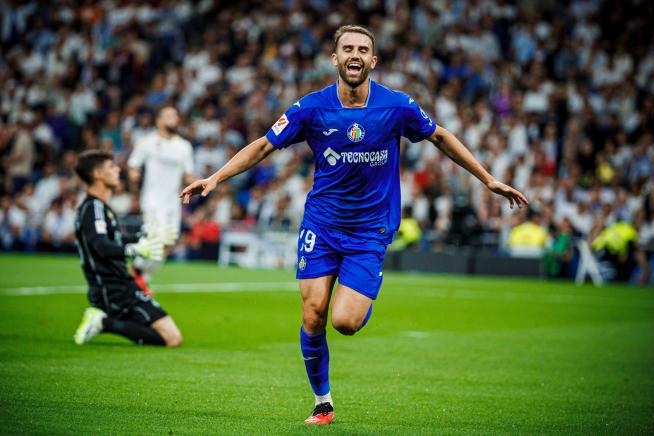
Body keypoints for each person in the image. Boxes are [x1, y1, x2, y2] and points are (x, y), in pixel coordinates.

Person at [180, 25, 528, 424]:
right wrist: (215, 179)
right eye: (348, 48)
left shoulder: (396, 106)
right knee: (313, 313)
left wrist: (487, 179)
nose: (355, 54)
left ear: (373, 61)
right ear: (335, 58)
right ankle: (323, 402)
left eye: (363, 49)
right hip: (322, 223)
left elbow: (441, 137)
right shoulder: (310, 108)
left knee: (344, 322)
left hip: (370, 229)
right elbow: (262, 145)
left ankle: (359, 286)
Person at [73, 150, 183, 347]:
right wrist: (136, 249)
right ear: (97, 174)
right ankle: (104, 322)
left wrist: (147, 236)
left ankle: (105, 322)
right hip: (111, 289)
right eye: (111, 167)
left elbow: (115, 239)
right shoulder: (93, 208)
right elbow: (101, 246)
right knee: (172, 338)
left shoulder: (101, 207)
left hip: (122, 284)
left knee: (172, 337)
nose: (117, 170)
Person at [127, 106, 195, 292]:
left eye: (175, 115)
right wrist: (134, 179)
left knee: (168, 243)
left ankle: (142, 277)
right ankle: (137, 274)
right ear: (158, 120)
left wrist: (198, 183)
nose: (174, 118)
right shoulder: (147, 142)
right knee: (156, 239)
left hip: (173, 202)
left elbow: (188, 174)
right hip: (152, 199)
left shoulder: (184, 146)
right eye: (168, 115)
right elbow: (133, 165)